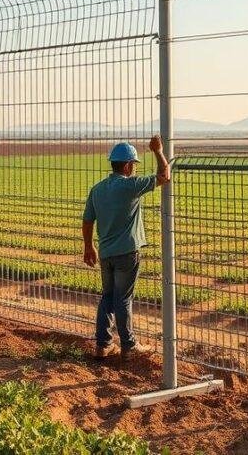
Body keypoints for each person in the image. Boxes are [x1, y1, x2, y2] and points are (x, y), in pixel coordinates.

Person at [82, 135, 170, 359]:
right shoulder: (131, 186)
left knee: (108, 297)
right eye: (134, 165)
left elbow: (88, 220)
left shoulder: (98, 189)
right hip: (127, 252)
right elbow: (164, 176)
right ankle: (129, 346)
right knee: (123, 299)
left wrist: (88, 247)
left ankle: (103, 345)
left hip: (106, 252)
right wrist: (158, 151)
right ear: (129, 165)